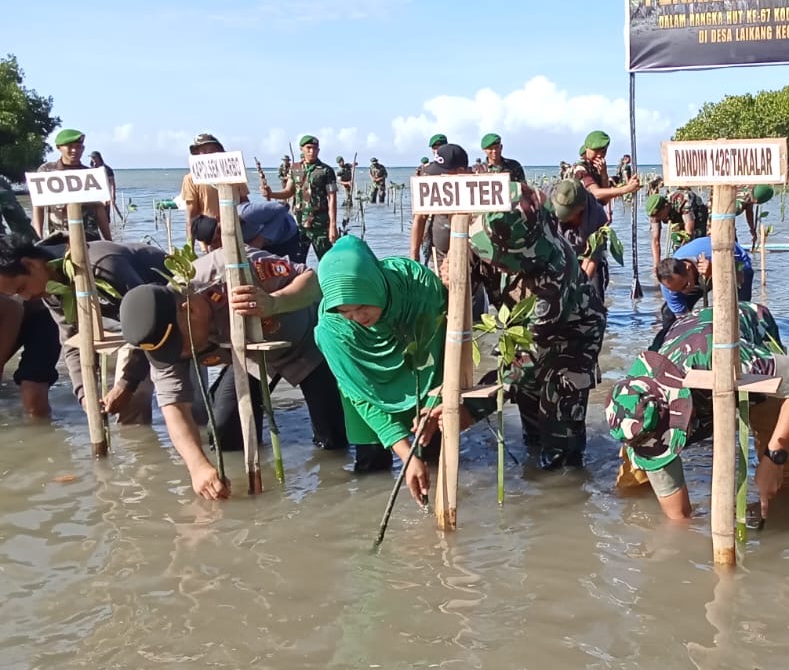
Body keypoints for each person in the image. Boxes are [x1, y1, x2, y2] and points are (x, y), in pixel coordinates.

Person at [120, 246, 354, 499]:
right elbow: (173, 405)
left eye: (181, 346)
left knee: (332, 441)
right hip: (247, 359)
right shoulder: (163, 339)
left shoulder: (236, 271)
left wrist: (275, 302)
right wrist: (198, 467)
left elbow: (313, 280)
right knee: (224, 435)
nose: (180, 355)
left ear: (191, 311)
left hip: (307, 341)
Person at [314, 236, 490, 504]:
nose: (359, 318)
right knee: (372, 467)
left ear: (375, 285)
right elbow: (360, 396)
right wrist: (406, 455)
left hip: (426, 379)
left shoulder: (417, 287)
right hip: (365, 390)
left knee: (434, 456)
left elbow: (445, 352)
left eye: (362, 306)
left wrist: (433, 407)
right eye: (347, 312)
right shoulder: (333, 330)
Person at [609, 303, 789, 521]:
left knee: (782, 456)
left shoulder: (727, 359)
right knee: (634, 484)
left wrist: (774, 458)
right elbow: (679, 517)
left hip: (738, 339)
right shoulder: (636, 396)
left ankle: (785, 504)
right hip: (685, 348)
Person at [471, 191, 606, 468]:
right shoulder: (493, 226)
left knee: (560, 438)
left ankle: (564, 485)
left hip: (573, 337)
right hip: (524, 332)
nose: (491, 262)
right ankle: (535, 475)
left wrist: (477, 402)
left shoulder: (553, 269)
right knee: (531, 420)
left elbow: (532, 346)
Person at [0, 233, 166, 424]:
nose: (27, 298)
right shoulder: (50, 289)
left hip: (178, 312)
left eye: (22, 288)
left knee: (189, 405)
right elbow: (72, 342)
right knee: (131, 406)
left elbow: (152, 323)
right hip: (135, 326)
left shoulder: (102, 265)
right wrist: (85, 394)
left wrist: (125, 384)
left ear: (31, 264)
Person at [655, 235, 753, 340]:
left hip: (735, 268)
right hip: (696, 279)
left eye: (685, 286)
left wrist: (715, 271)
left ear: (688, 268)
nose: (684, 292)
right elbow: (682, 318)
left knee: (738, 312)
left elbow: (739, 277)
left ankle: (744, 340)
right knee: (669, 313)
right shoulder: (669, 287)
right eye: (677, 291)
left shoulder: (711, 255)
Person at [260, 135, 339, 261]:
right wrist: (271, 194)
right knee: (296, 261)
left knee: (327, 261)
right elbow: (288, 191)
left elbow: (332, 199)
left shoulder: (326, 171)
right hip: (300, 224)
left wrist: (333, 226)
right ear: (301, 149)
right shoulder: (295, 169)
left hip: (320, 224)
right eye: (308, 148)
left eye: (315, 148)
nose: (312, 151)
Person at [33, 129, 112, 241]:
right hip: (57, 237)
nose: (75, 150)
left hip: (89, 237)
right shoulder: (46, 171)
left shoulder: (90, 174)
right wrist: (38, 239)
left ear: (83, 149)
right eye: (69, 146)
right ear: (59, 147)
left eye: (78, 147)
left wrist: (109, 241)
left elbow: (99, 209)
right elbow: (38, 206)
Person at [409, 143, 472, 267]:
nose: (438, 176)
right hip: (438, 256)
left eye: (443, 172)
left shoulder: (477, 189)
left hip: (470, 258)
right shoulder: (434, 186)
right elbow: (420, 218)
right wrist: (414, 256)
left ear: (460, 171)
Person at [181, 133, 251, 243]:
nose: (205, 153)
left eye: (209, 149)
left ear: (219, 151)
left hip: (237, 232)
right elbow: (191, 216)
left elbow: (245, 204)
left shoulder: (234, 175)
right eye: (201, 150)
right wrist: (190, 247)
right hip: (210, 237)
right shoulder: (191, 179)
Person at [545, 178, 609, 298]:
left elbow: (591, 260)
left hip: (584, 256)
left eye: (568, 213)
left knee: (593, 297)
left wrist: (577, 291)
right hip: (556, 255)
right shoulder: (547, 200)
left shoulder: (597, 216)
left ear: (581, 209)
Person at [0, 291, 58, 418]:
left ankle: (41, 430)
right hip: (12, 310)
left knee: (33, 392)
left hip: (40, 309)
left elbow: (13, 309)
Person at [191, 200, 303, 263]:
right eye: (215, 240)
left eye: (220, 231)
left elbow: (283, 206)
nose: (221, 237)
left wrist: (261, 239)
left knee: (291, 271)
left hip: (287, 236)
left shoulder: (247, 214)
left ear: (219, 219)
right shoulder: (213, 247)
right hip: (261, 245)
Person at [569, 131, 641, 222]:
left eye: (603, 152)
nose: (599, 155)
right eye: (596, 151)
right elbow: (595, 193)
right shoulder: (580, 168)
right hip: (578, 224)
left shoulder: (594, 167)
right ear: (587, 148)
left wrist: (603, 174)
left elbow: (604, 200)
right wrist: (627, 189)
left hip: (592, 221)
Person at [646, 188, 708, 262]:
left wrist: (682, 254)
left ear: (666, 206)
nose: (657, 219)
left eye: (659, 215)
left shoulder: (683, 200)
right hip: (677, 218)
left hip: (697, 214)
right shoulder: (655, 215)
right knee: (676, 242)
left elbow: (689, 233)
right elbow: (655, 240)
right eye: (655, 217)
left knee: (696, 243)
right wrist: (656, 264)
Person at [87, 150, 117, 220]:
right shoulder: (90, 169)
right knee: (92, 216)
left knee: (105, 215)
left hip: (104, 195)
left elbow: (112, 183)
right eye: (92, 158)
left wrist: (113, 196)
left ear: (99, 158)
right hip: (93, 196)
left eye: (94, 157)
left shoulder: (107, 169)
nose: (93, 159)